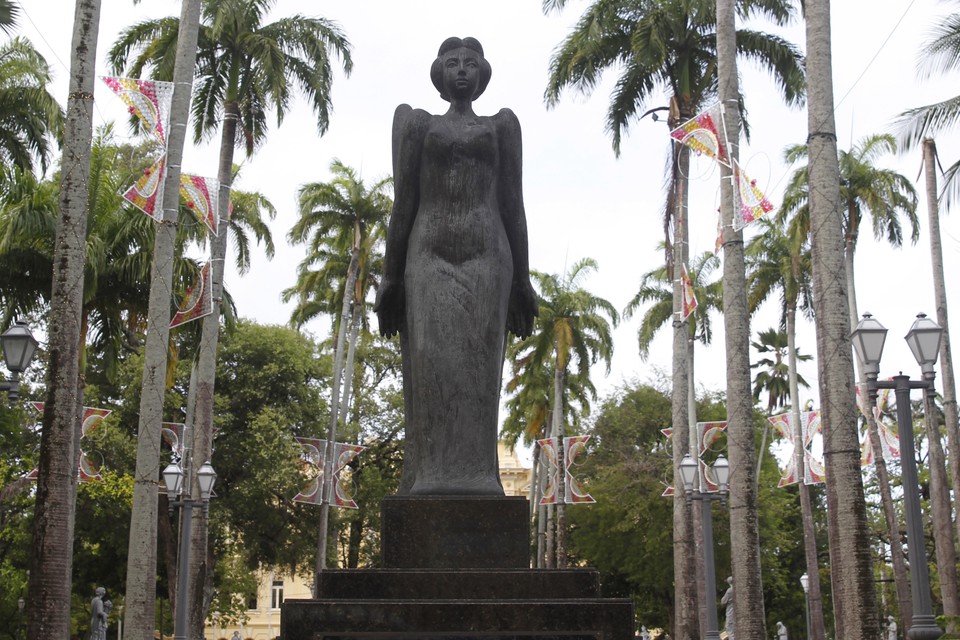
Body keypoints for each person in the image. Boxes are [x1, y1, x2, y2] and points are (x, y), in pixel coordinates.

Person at [375, 36, 537, 495]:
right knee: (432, 362)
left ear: (482, 75)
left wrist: (522, 280)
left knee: (480, 369)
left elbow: (513, 204)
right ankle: (431, 476)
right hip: (428, 257)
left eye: (470, 64)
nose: (461, 70)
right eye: (452, 64)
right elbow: (402, 203)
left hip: (488, 257)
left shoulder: (501, 126)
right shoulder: (418, 126)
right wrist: (391, 276)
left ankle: (479, 477)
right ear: (440, 74)